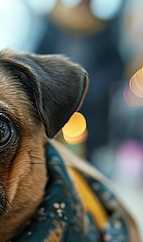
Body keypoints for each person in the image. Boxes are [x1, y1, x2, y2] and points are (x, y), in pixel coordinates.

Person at [35, 0, 124, 162]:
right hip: (60, 100)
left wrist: (96, 87)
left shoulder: (102, 28)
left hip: (93, 109)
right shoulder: (55, 24)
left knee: (89, 158)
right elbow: (38, 60)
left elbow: (116, 66)